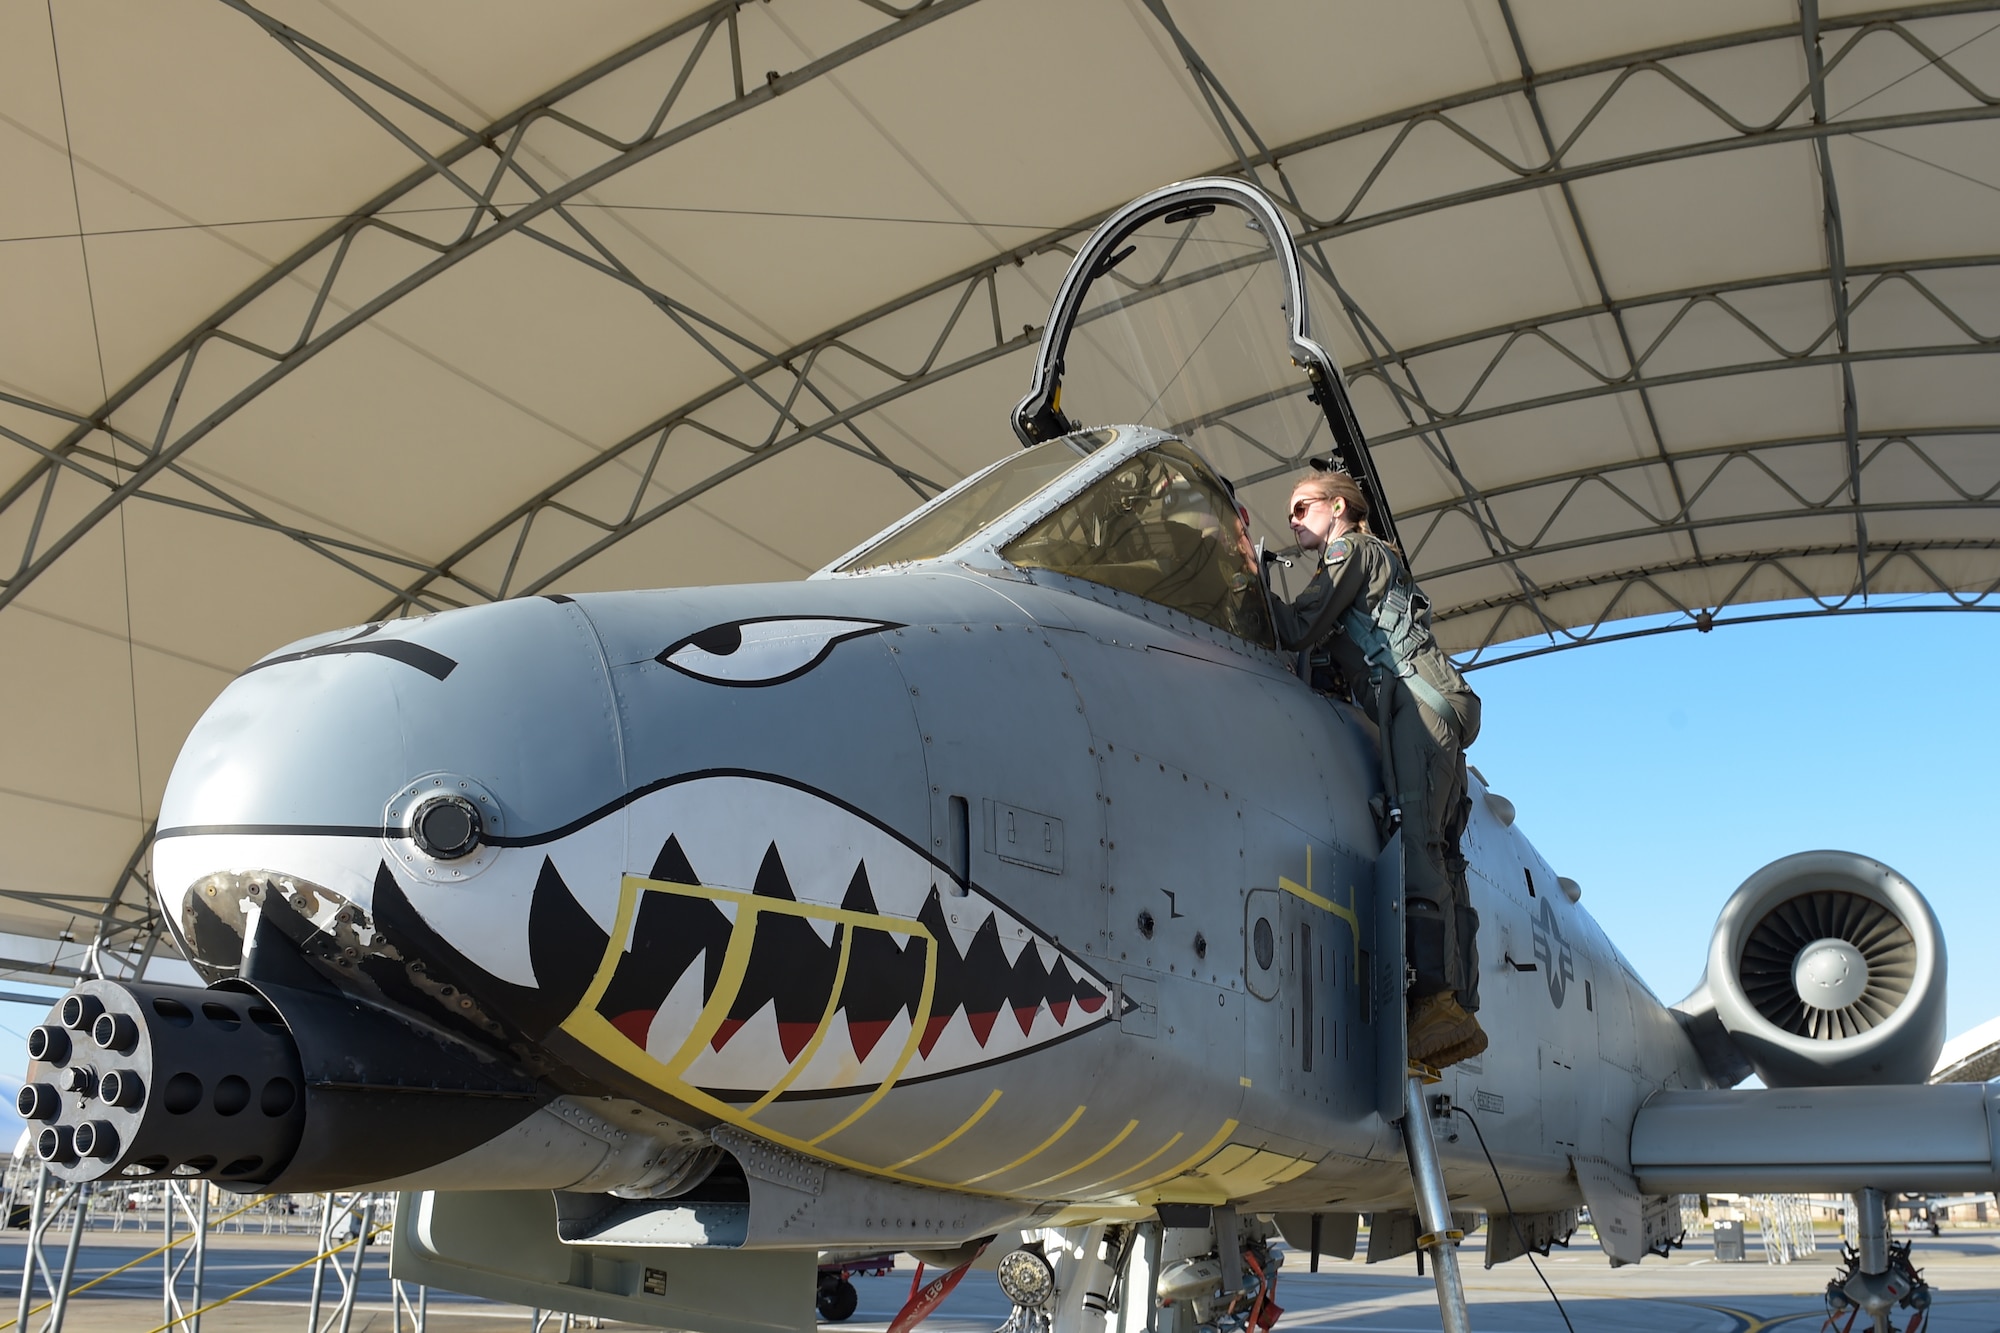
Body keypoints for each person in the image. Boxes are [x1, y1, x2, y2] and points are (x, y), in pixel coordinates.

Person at [1281, 468, 1486, 1068]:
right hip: (1435, 704)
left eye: (1303, 508)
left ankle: (1438, 1004)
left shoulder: (1351, 550)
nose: (1293, 521)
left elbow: (1298, 627)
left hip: (1416, 702)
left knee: (1416, 842)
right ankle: (1455, 1011)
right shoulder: (1372, 559)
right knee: (1442, 857)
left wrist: (1240, 580)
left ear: (1339, 507)